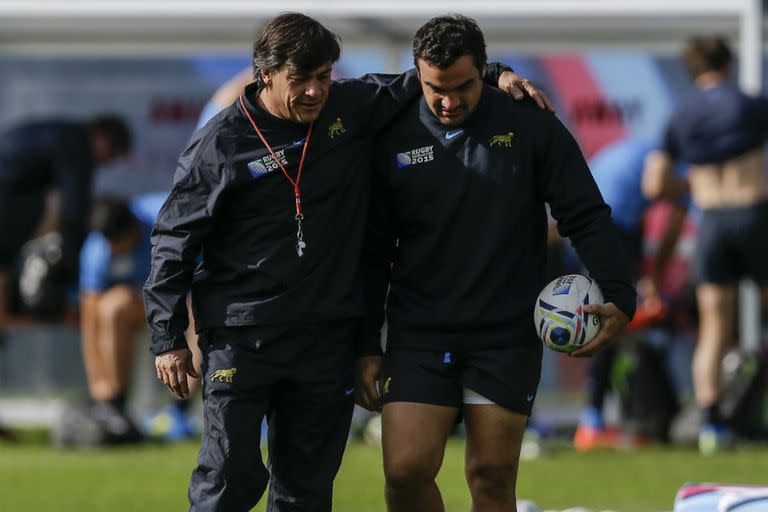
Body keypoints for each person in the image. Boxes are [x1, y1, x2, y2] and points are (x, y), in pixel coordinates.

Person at [143, 12, 552, 512]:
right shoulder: (220, 143)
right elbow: (172, 240)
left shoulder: (348, 108)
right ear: (265, 74)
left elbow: (422, 78)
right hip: (242, 339)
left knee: (306, 491)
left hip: (326, 341)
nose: (316, 91)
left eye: (323, 76)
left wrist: (497, 74)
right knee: (230, 475)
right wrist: (166, 339)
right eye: (301, 80)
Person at [362, 15, 635, 511]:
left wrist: (619, 293)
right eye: (433, 89)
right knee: (405, 471)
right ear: (416, 75)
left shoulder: (529, 122)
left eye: (463, 86)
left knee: (490, 475)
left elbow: (586, 214)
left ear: (484, 71)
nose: (447, 102)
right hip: (420, 329)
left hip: (504, 332)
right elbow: (374, 248)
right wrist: (363, 342)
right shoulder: (389, 125)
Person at [642, 36, 768, 455]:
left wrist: (692, 182)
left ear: (693, 70)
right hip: (753, 213)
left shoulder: (681, 115)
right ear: (728, 65)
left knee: (714, 327)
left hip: (712, 220)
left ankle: (713, 424)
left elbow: (655, 183)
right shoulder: (749, 104)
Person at [572, 138, 686, 450]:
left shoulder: (640, 150)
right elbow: (673, 226)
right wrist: (653, 281)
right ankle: (592, 420)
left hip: (592, 218)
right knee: (609, 320)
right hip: (608, 223)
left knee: (609, 318)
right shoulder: (681, 160)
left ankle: (598, 417)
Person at [80, 194, 200, 443]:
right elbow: (90, 321)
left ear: (134, 228)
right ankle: (116, 408)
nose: (116, 251)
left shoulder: (169, 220)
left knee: (198, 306)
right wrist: (98, 384)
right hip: (141, 306)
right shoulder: (97, 249)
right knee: (113, 307)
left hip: (183, 298)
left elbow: (204, 274)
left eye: (120, 245)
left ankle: (180, 410)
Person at [0, 115, 132, 326]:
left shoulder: (65, 133)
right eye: (110, 157)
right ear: (102, 140)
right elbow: (75, 211)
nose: (104, 165)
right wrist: (75, 270)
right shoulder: (77, 145)